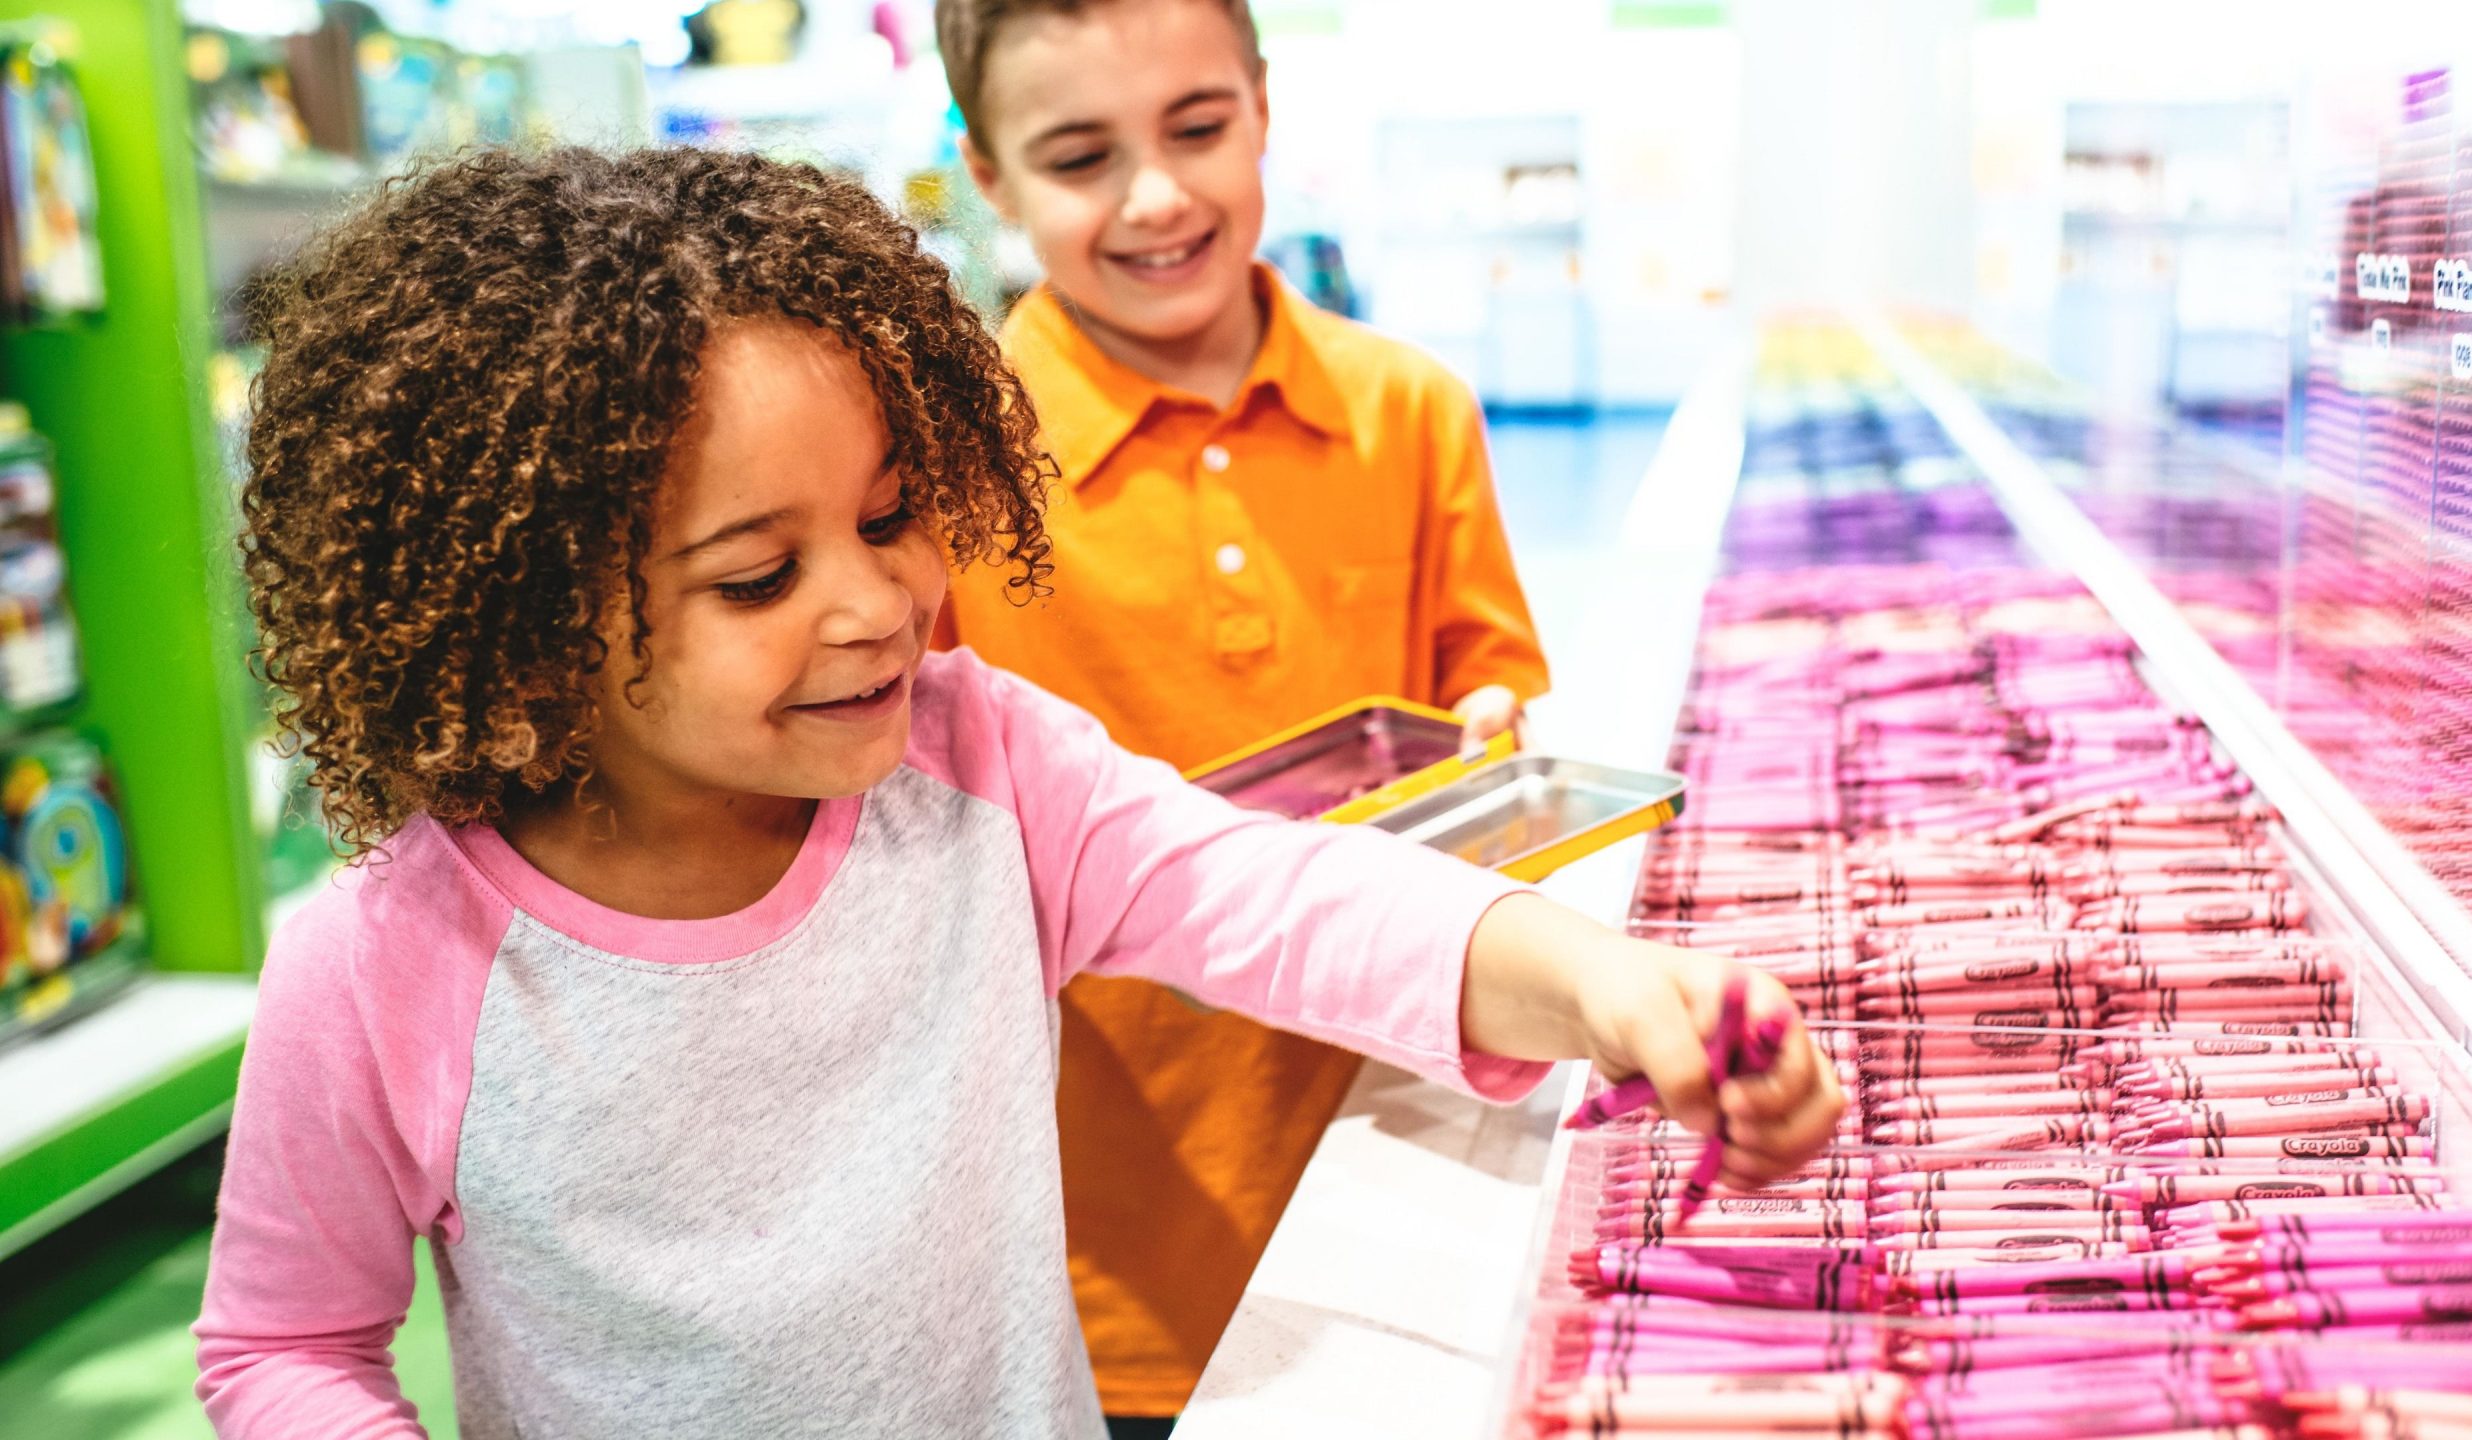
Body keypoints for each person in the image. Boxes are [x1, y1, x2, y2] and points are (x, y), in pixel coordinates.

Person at [190, 147, 1842, 1439]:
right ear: (533, 623)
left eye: (895, 513)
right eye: (758, 577)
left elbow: (1280, 894)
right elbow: (285, 1343)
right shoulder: (385, 964)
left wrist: (1606, 986)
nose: (877, 601)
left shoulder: (980, 770)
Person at [933, 1, 1554, 1425]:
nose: (1157, 196)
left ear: (1264, 106)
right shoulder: (945, 461)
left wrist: (1489, 728)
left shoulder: (1411, 410)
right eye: (1081, 155)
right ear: (987, 171)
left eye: (1197, 128)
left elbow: (1490, 676)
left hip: (1405, 1147)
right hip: (1093, 1237)